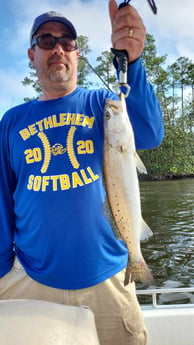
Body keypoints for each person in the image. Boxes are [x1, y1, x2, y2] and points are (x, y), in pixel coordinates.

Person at [0, 1, 164, 344]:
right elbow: (2, 202)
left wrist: (132, 61)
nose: (58, 48)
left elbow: (149, 133)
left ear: (77, 54)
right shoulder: (11, 122)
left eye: (68, 43)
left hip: (108, 277)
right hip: (31, 278)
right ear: (32, 55)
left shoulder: (103, 104)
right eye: (46, 41)